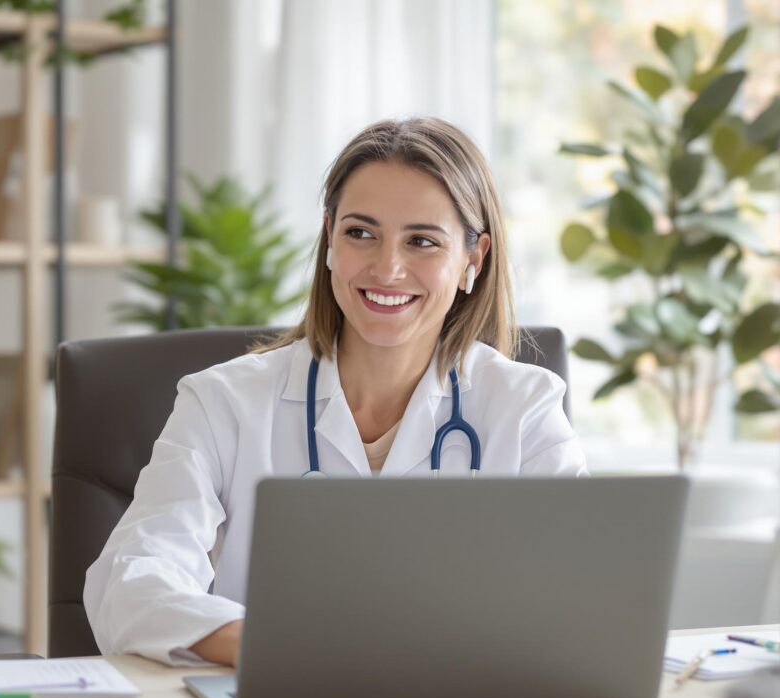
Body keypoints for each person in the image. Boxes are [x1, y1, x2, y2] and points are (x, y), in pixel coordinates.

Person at [84, 117, 588, 668]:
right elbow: (129, 583)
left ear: (474, 258)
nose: (387, 268)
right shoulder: (223, 402)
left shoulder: (525, 407)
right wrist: (287, 648)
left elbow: (584, 595)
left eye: (422, 241)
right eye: (360, 233)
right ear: (329, 238)